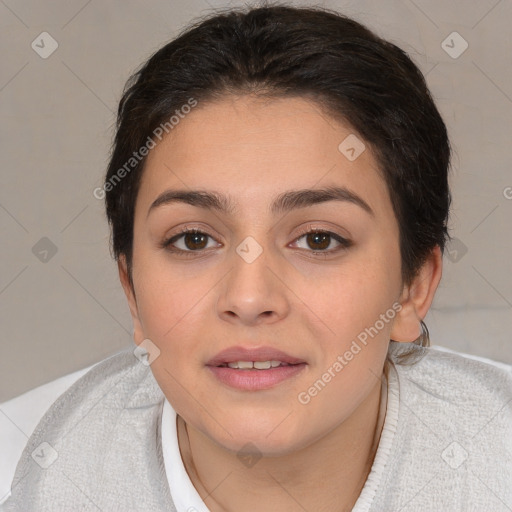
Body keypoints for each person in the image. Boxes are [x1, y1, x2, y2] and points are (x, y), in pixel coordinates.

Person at [3, 4, 511, 511]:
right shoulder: (25, 467)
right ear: (131, 288)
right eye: (194, 240)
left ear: (413, 286)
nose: (249, 298)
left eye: (318, 240)